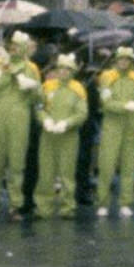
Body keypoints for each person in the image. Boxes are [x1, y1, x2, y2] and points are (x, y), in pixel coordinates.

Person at [0, 32, 40, 218]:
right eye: (12, 45)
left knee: (17, 164)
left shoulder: (31, 68)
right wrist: (7, 72)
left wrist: (32, 87)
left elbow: (38, 98)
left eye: (18, 45)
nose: (14, 49)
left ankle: (15, 205)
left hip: (20, 120)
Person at [95, 46, 134, 218]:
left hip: (131, 126)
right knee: (106, 165)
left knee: (128, 166)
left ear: (131, 61)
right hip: (112, 126)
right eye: (121, 59)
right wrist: (126, 105)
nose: (124, 62)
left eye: (127, 59)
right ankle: (103, 202)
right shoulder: (107, 76)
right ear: (116, 60)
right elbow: (106, 102)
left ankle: (125, 203)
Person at [34, 54, 87, 219]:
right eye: (60, 68)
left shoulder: (78, 89)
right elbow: (39, 107)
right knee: (46, 172)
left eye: (67, 69)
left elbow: (82, 113)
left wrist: (67, 123)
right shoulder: (47, 86)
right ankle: (43, 208)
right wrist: (45, 120)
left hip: (69, 137)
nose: (63, 72)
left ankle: (67, 208)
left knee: (67, 173)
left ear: (72, 72)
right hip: (48, 135)